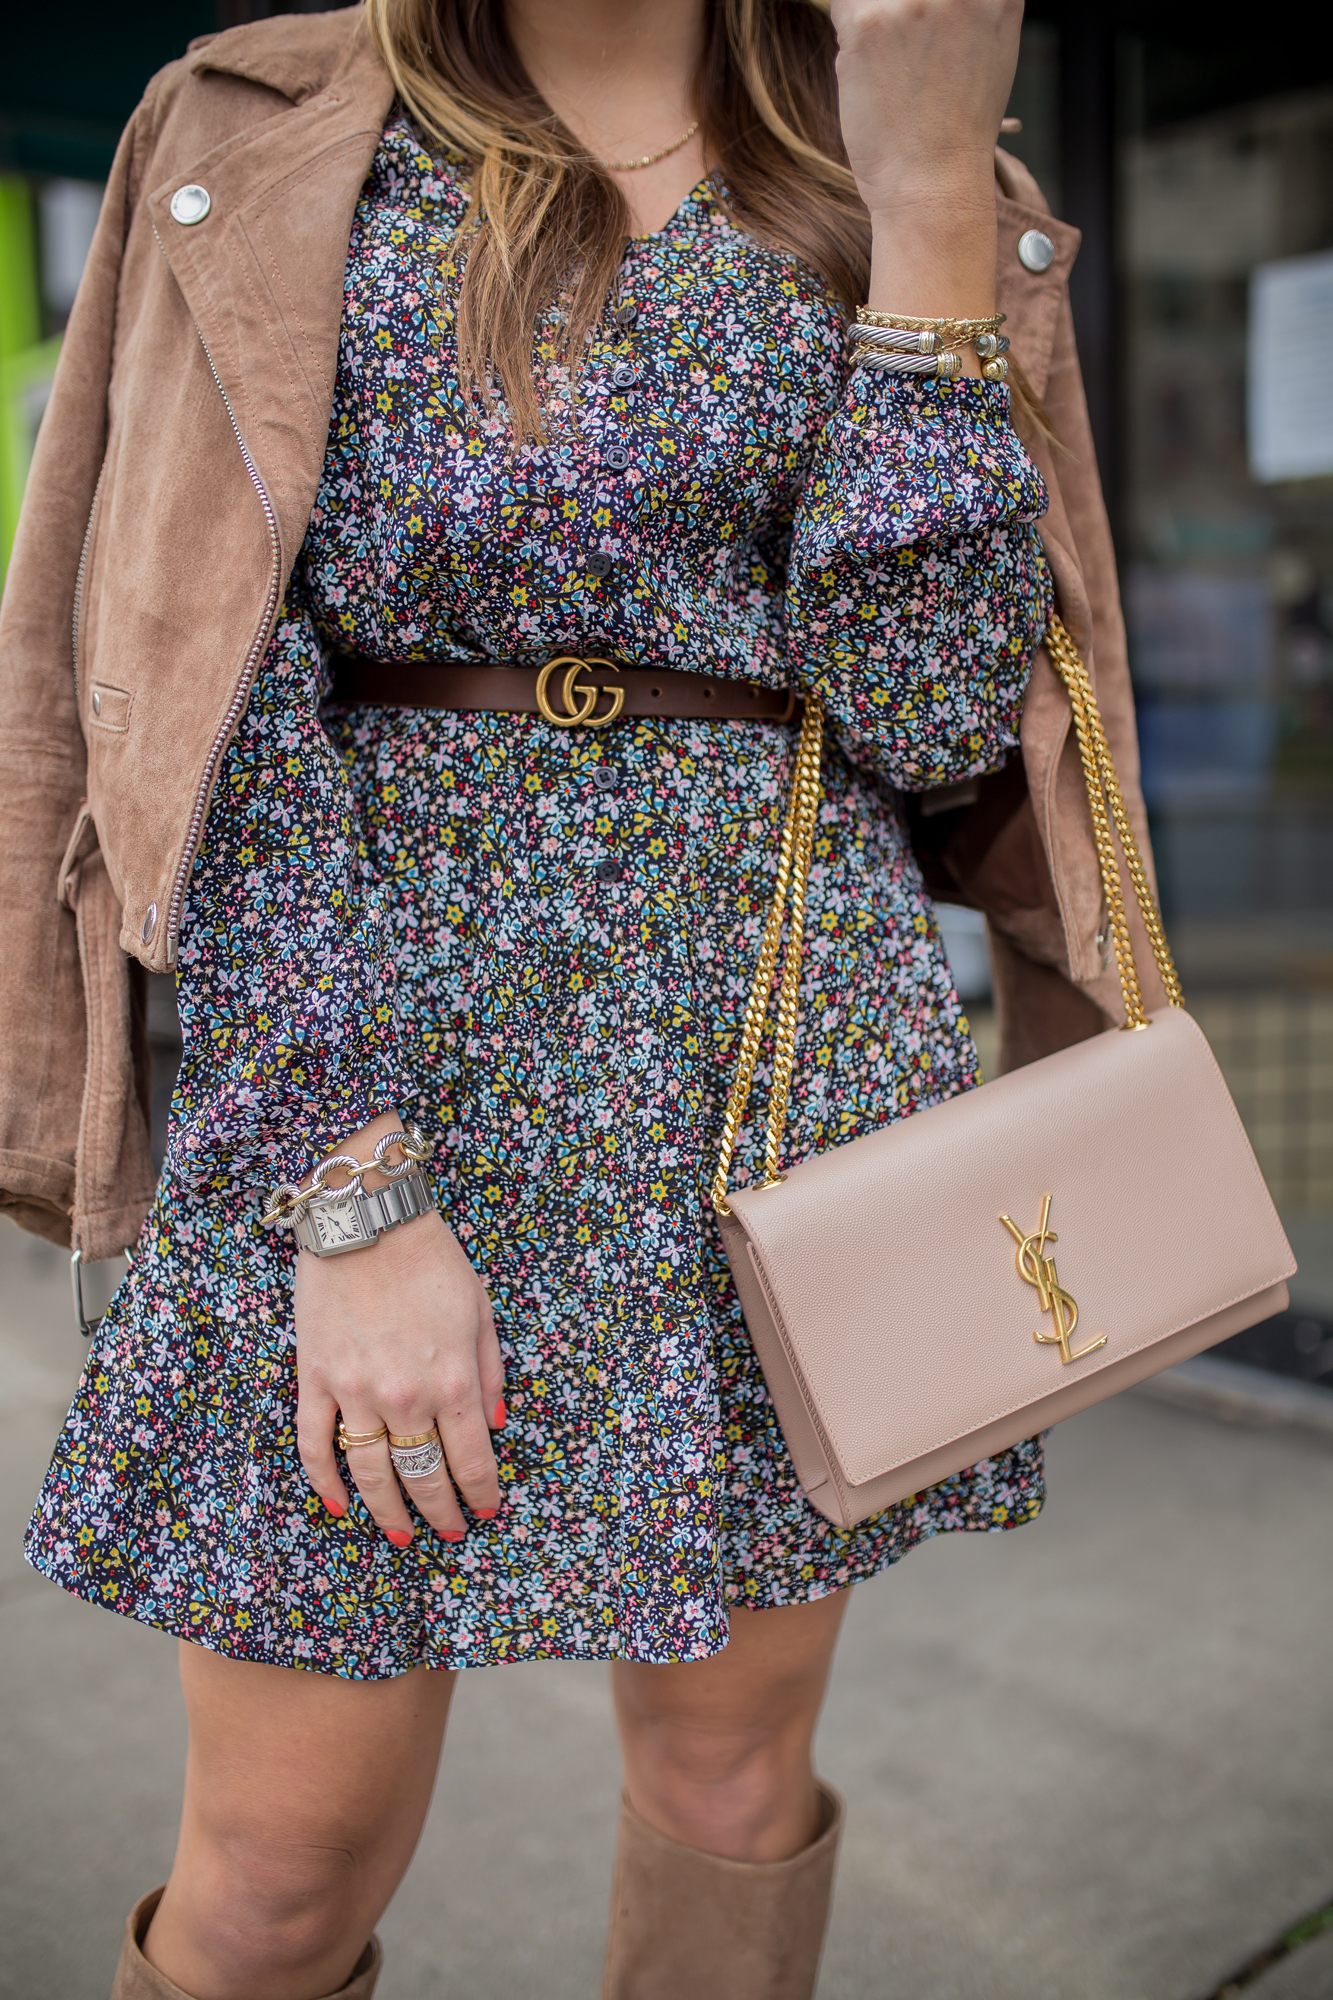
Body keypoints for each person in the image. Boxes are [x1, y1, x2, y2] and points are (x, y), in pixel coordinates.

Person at [1, 1, 1157, 1995]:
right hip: (364, 1034)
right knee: (279, 1876)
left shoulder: (899, 149)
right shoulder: (262, 122)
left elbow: (930, 711)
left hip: (776, 1056)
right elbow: (192, 665)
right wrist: (344, 1186)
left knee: (728, 1780)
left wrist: (926, 192)